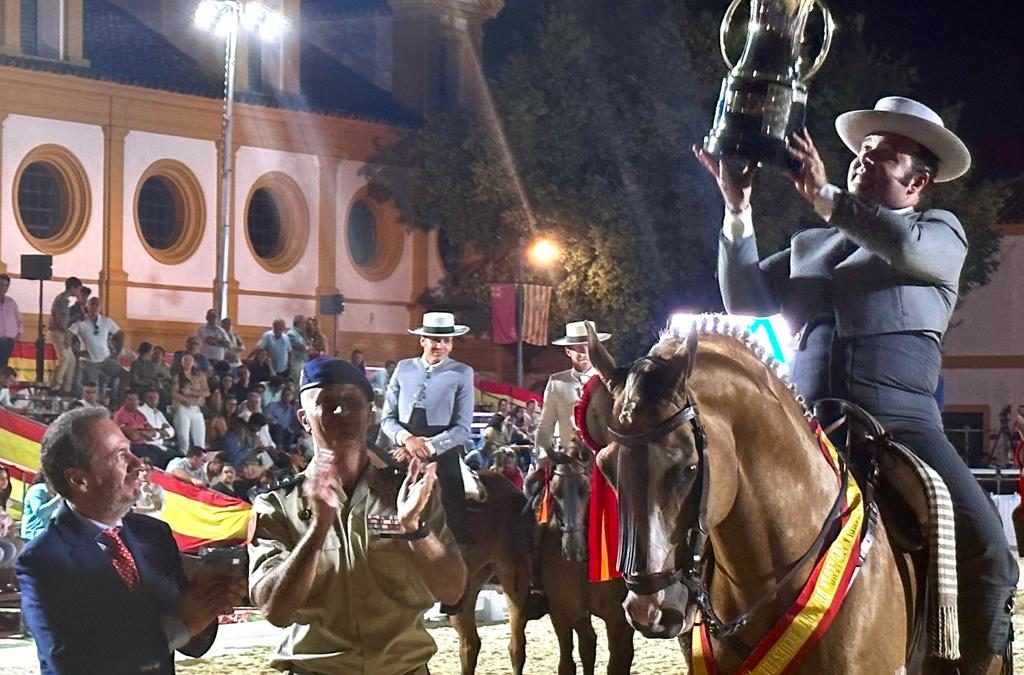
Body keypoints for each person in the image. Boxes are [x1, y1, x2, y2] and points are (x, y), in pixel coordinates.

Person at [698, 96, 1017, 669]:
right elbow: (744, 300)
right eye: (863, 151)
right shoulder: (809, 243)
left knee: (992, 552)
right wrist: (736, 209)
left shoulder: (939, 231)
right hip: (808, 424)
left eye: (885, 154)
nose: (863, 160)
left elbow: (900, 246)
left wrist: (826, 198)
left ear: (918, 180)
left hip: (903, 426)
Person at [249, 357, 466, 674]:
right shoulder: (276, 505)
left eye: (352, 402)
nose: (341, 412)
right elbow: (274, 610)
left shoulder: (408, 493)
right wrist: (318, 530)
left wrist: (414, 529)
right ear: (304, 419)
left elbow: (453, 591)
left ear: (371, 414)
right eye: (327, 403)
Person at [16, 407, 244, 674]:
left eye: (131, 450)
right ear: (79, 479)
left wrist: (206, 598)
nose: (138, 465)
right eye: (120, 456)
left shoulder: (154, 535)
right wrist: (180, 626)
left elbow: (192, 643)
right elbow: (69, 664)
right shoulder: (43, 560)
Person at [380, 312, 475, 545]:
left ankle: (455, 549)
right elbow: (387, 419)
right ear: (422, 340)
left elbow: (462, 428)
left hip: (442, 451)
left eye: (446, 341)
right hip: (402, 447)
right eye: (434, 339)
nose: (440, 345)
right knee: (374, 493)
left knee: (453, 499)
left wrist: (427, 447)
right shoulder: (403, 369)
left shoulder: (462, 373)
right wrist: (407, 440)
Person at [535, 321, 611, 459]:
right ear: (568, 351)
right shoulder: (557, 382)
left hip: (602, 456)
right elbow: (546, 424)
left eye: (587, 347)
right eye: (578, 349)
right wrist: (547, 452)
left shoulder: (607, 380)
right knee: (536, 478)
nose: (584, 353)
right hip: (567, 456)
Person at [68, 296, 125, 401]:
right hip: (89, 361)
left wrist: (117, 353)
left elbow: (120, 334)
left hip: (105, 359)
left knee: (125, 375)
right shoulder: (80, 322)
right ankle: (92, 406)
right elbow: (68, 336)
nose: (94, 307)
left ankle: (118, 401)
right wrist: (76, 352)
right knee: (92, 387)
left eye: (96, 304)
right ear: (87, 306)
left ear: (100, 307)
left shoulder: (106, 321)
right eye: (91, 304)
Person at [113, 390, 166, 468]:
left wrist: (139, 432)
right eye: (130, 400)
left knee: (163, 454)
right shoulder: (120, 415)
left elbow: (153, 432)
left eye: (135, 400)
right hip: (130, 446)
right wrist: (145, 433)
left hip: (143, 444)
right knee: (152, 457)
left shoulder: (140, 414)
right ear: (124, 401)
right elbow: (133, 436)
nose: (133, 402)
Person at [48, 276, 82, 394]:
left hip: (62, 331)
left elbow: (64, 319)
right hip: (58, 332)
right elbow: (60, 320)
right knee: (64, 357)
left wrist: (74, 318)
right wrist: (67, 335)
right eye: (78, 289)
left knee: (71, 360)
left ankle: (66, 388)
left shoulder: (65, 301)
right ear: (72, 288)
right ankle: (55, 386)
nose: (79, 292)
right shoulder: (62, 300)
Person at [172, 353, 210, 450]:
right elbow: (174, 393)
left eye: (189, 360)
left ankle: (201, 458)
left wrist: (193, 392)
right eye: (185, 360)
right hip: (183, 408)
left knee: (200, 439)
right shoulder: (178, 376)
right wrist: (186, 399)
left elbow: (207, 392)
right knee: (184, 440)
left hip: (196, 408)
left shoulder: (199, 376)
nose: (187, 362)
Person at [20, 474, 61, 540]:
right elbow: (39, 513)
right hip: (32, 534)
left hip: (47, 532)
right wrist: (58, 499)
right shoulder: (38, 490)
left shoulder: (55, 491)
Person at [0, 274, 22, 370]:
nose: (3, 287)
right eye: (1, 284)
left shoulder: (11, 302)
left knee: (3, 366)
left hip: (8, 341)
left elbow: (19, 321)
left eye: (6, 285)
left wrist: (17, 336)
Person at [286, 315, 309, 384]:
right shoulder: (291, 334)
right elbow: (304, 347)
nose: (306, 325)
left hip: (303, 362)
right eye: (305, 323)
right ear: (299, 323)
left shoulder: (301, 334)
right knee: (297, 384)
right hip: (296, 363)